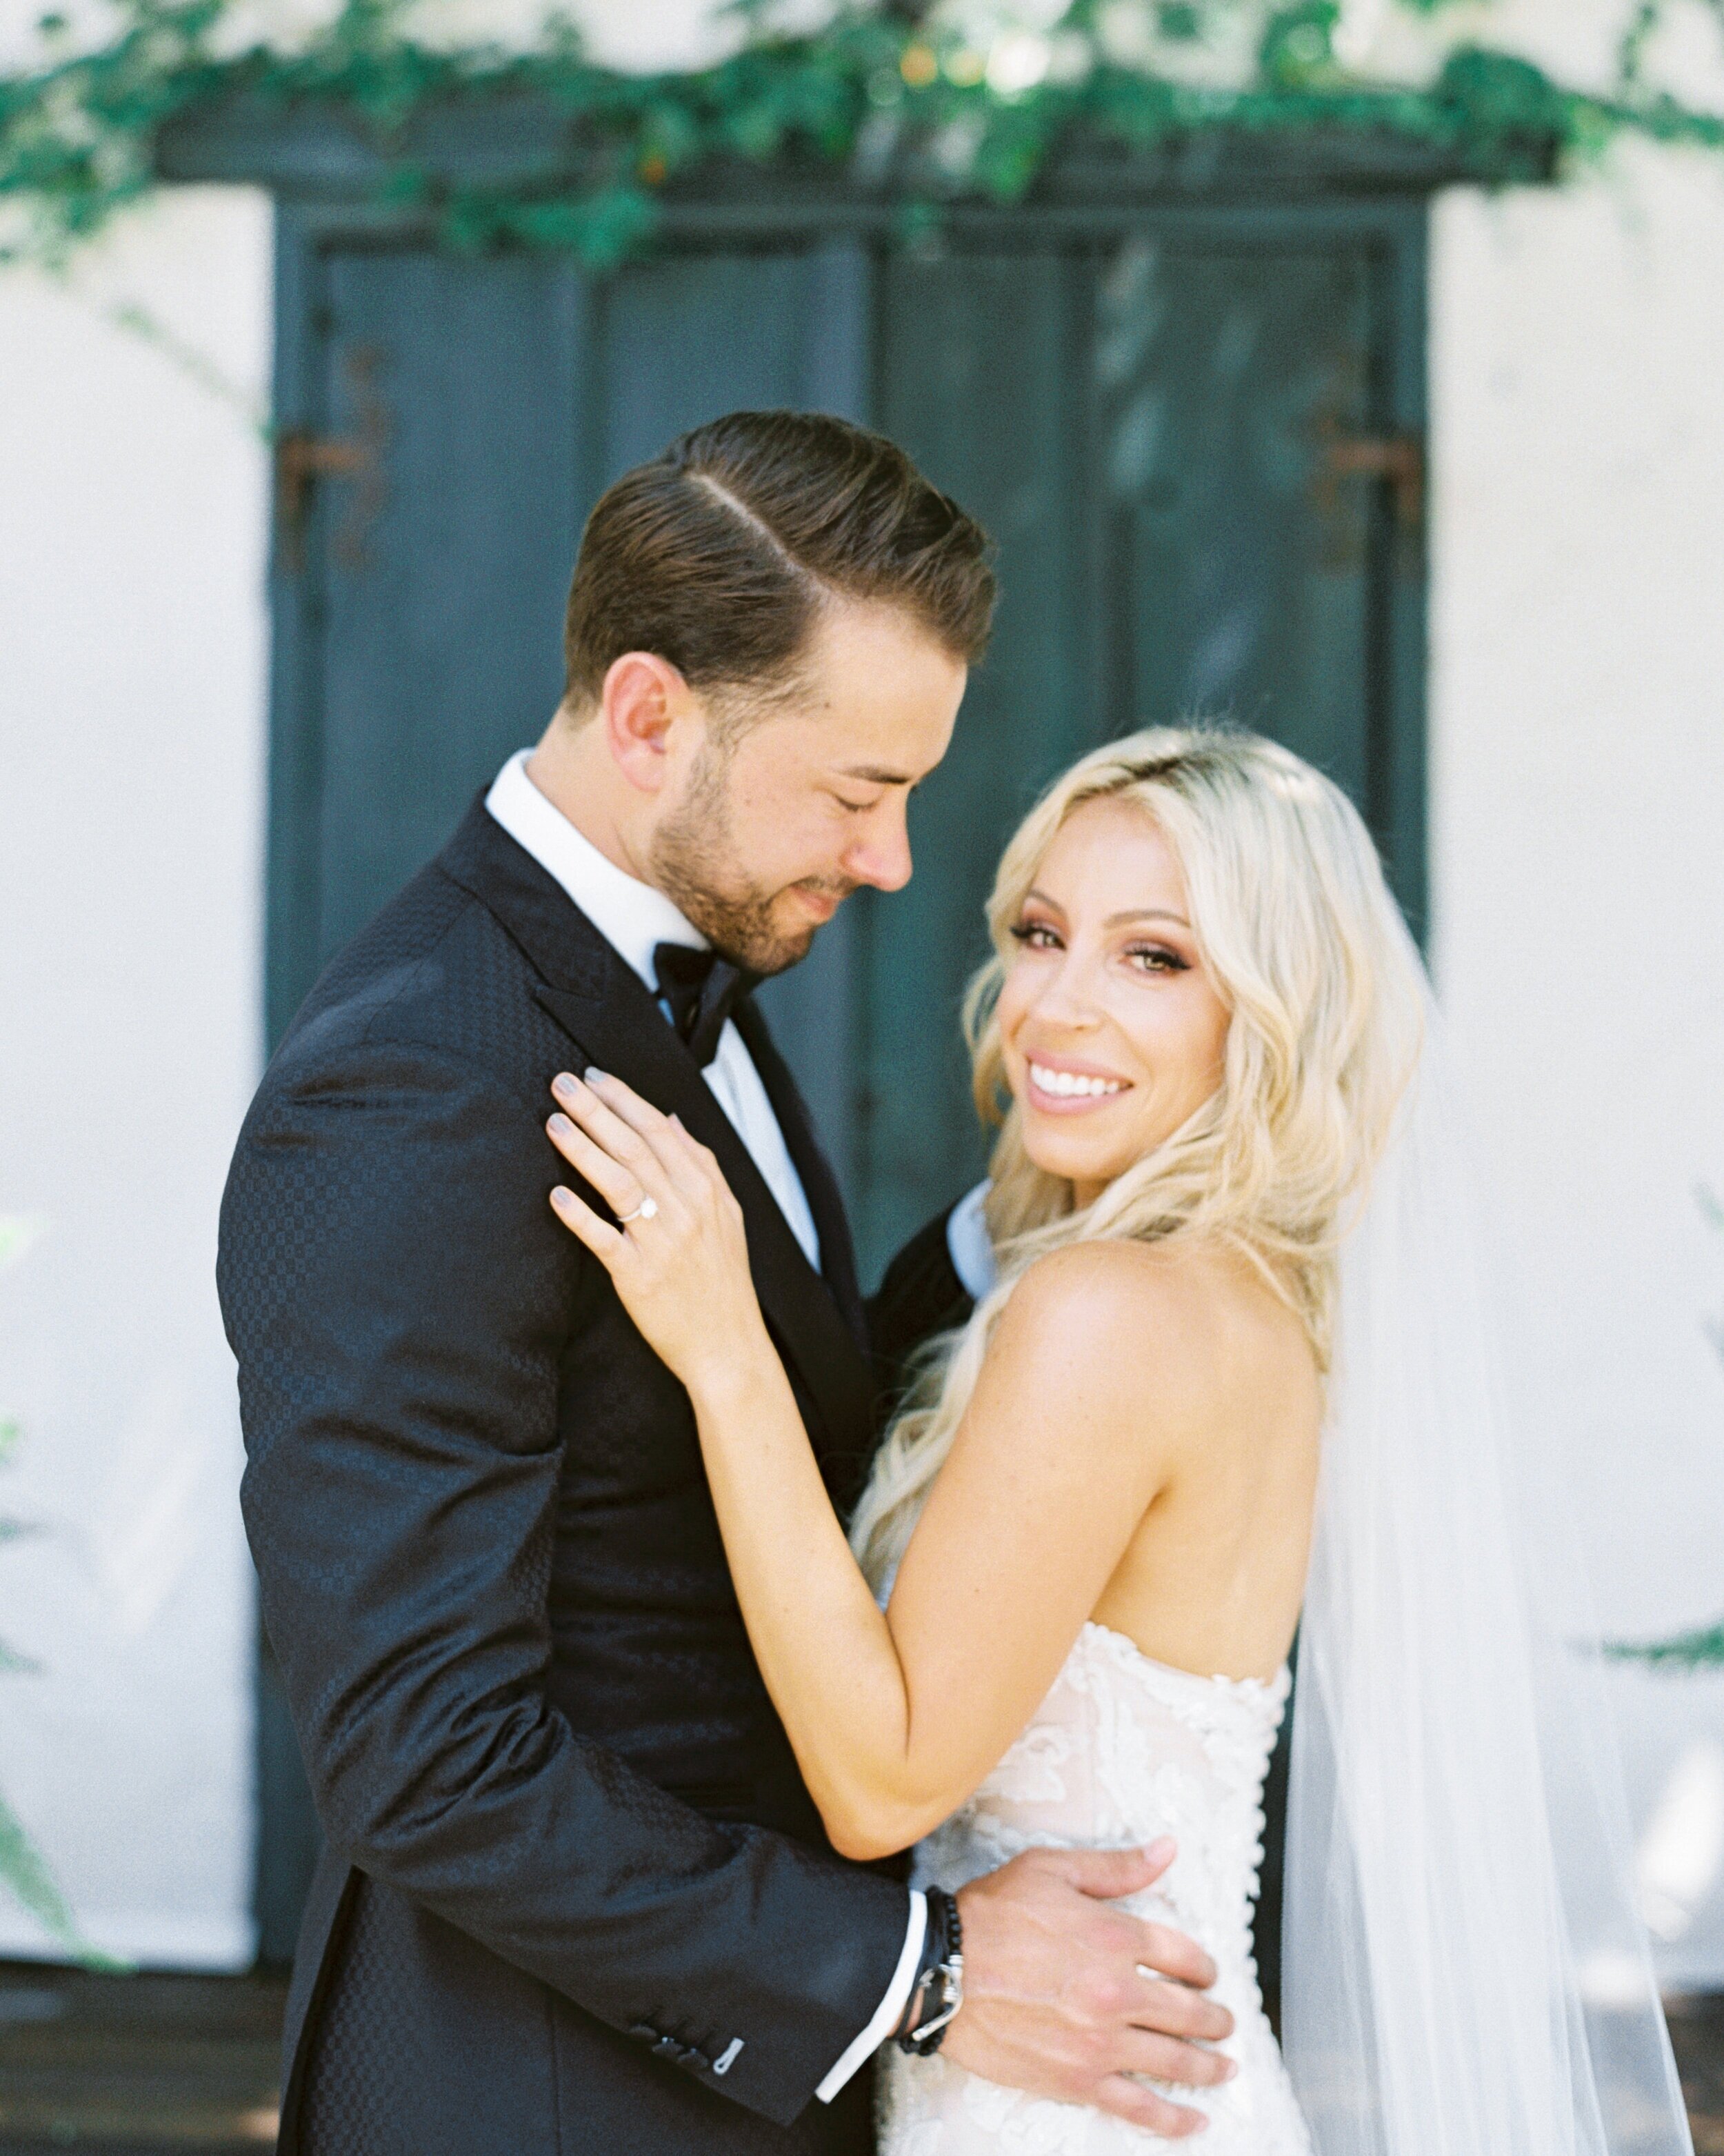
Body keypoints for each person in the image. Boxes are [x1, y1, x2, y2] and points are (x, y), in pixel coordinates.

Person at [218, 413, 1235, 2156]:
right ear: (646, 715)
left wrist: (1037, 1220)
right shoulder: (405, 1087)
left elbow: (788, 1409)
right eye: (858, 791)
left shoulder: (676, 966)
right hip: (535, 2089)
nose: (894, 859)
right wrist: (914, 1974)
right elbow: (421, 1752)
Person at [542, 726, 1696, 2155]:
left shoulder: (1112, 1316)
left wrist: (721, 1346)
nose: (1051, 1007)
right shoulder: (1249, 1303)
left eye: (1152, 958)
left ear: (1269, 1011)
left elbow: (883, 1780)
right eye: (1039, 934)